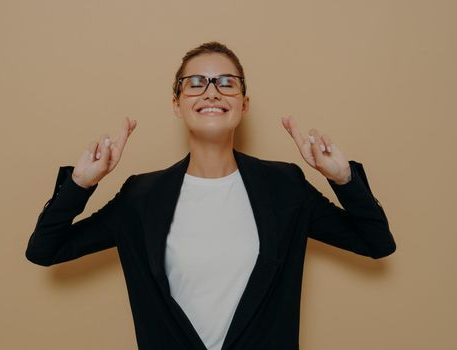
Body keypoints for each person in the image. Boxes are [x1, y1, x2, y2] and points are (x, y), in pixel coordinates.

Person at [26, 41, 396, 350]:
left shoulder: (284, 186)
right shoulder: (142, 196)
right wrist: (81, 184)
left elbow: (376, 242)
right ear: (177, 104)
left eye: (226, 82)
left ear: (244, 103)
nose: (212, 91)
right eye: (196, 83)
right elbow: (45, 249)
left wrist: (342, 178)